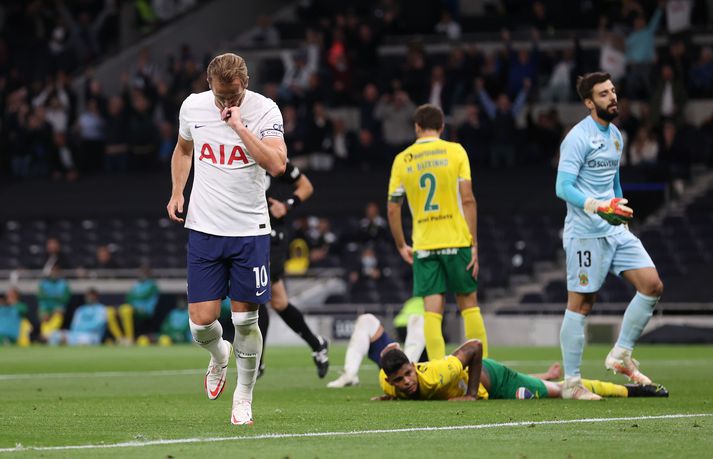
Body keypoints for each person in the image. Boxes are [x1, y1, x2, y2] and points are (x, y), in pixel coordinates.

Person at [166, 52, 287, 425]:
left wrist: (238, 126)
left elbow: (277, 164)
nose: (226, 103)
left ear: (245, 85)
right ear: (209, 84)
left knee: (246, 322)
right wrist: (177, 191)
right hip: (204, 227)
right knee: (201, 325)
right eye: (221, 97)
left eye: (233, 97)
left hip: (249, 231)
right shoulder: (193, 107)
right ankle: (220, 356)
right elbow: (184, 148)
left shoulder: (266, 111)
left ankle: (244, 397)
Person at [555, 72, 665, 400]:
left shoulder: (616, 135)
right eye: (603, 94)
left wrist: (618, 210)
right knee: (581, 304)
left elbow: (614, 182)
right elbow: (562, 187)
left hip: (615, 229)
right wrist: (597, 206)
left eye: (613, 91)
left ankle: (620, 354)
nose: (612, 97)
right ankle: (572, 384)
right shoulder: (577, 138)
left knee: (652, 285)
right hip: (585, 234)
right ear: (589, 102)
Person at [387, 103, 488, 362]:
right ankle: (484, 370)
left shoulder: (403, 159)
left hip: (424, 245)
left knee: (432, 312)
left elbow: (393, 209)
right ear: (442, 126)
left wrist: (401, 244)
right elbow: (468, 200)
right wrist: (473, 244)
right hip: (456, 241)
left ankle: (439, 371)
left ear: (417, 127)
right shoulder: (455, 152)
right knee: (469, 305)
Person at [376, 339, 669, 401]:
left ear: (415, 367)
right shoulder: (388, 382)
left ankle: (637, 390)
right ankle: (539, 379)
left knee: (565, 391)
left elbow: (475, 346)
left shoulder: (441, 372)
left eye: (408, 374)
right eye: (399, 380)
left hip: (497, 380)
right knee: (540, 386)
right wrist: (394, 395)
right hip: (494, 385)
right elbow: (390, 347)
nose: (406, 382)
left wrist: (471, 396)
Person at [257, 161, 329, 379]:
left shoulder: (275, 160)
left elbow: (306, 186)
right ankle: (317, 343)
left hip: (273, 238)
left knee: (259, 294)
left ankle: (256, 361)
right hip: (251, 233)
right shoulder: (240, 157)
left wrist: (286, 205)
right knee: (279, 302)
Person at [327, 302, 425, 388]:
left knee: (418, 320)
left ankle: (409, 367)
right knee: (366, 320)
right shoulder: (420, 298)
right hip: (403, 359)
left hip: (426, 364)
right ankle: (349, 374)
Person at [37, 265, 72, 340]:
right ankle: (46, 335)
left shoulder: (64, 284)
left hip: (58, 307)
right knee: (44, 315)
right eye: (53, 271)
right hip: (46, 307)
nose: (54, 273)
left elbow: (66, 298)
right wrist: (56, 298)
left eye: (56, 271)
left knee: (58, 313)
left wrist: (50, 297)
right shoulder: (43, 283)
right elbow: (40, 296)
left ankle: (47, 336)